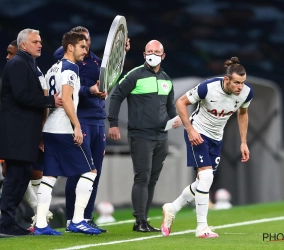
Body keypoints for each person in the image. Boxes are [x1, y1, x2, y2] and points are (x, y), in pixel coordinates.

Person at [160, 57, 254, 238]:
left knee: (203, 182)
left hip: (217, 138)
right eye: (236, 82)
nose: (240, 87)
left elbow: (243, 113)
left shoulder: (247, 93)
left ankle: (172, 208)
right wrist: (190, 130)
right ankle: (202, 227)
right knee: (206, 176)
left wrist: (243, 142)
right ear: (227, 80)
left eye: (242, 82)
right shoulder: (207, 87)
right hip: (198, 133)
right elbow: (181, 102)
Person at [53, 26, 130, 232]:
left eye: (87, 41)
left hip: (98, 120)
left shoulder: (96, 61)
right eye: (82, 42)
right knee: (78, 171)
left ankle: (85, 217)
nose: (85, 46)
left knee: (94, 172)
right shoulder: (66, 57)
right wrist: (90, 90)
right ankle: (71, 219)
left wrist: (119, 54)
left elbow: (108, 77)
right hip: (82, 118)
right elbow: (71, 89)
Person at [108, 40, 182, 232]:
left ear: (163, 56)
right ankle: (139, 221)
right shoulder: (134, 75)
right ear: (144, 54)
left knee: (152, 179)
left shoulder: (166, 79)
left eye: (156, 51)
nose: (152, 54)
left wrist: (175, 118)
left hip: (161, 136)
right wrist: (113, 124)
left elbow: (169, 106)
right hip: (141, 135)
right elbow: (116, 96)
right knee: (142, 177)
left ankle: (144, 219)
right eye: (149, 51)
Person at [34, 31, 100, 236]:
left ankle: (41, 224)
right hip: (64, 129)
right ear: (70, 47)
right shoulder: (70, 68)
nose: (85, 51)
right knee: (90, 172)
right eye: (82, 47)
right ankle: (78, 220)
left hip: (50, 129)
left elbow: (48, 101)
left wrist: (42, 130)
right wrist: (77, 126)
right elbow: (68, 99)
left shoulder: (51, 68)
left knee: (49, 176)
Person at [0, 28, 61, 236]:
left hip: (24, 132)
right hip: (17, 132)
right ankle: (6, 223)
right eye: (35, 41)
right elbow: (21, 96)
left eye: (40, 41)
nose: (40, 44)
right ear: (23, 45)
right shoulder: (18, 63)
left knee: (21, 175)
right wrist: (50, 100)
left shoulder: (28, 64)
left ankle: (9, 221)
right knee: (15, 176)